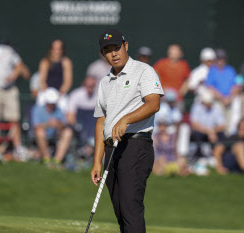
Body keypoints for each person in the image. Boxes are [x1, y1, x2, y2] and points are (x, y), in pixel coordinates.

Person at [91, 29, 164, 233]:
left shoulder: (143, 70)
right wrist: (97, 160)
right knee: (121, 211)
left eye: (116, 48)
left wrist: (126, 119)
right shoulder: (105, 82)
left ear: (126, 46)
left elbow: (153, 104)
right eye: (108, 50)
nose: (113, 54)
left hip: (136, 145)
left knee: (130, 208)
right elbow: (100, 122)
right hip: (111, 150)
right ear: (103, 55)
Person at [32, 88, 73, 166]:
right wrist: (48, 124)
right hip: (42, 134)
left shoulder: (59, 110)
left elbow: (64, 125)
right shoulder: (37, 109)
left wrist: (58, 124)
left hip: (56, 134)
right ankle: (46, 158)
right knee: (40, 132)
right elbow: (36, 127)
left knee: (68, 132)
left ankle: (57, 160)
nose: (52, 105)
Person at [206, 49, 240, 135]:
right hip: (217, 102)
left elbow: (235, 86)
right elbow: (210, 87)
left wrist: (229, 98)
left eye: (222, 58)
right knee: (219, 124)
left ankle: (228, 140)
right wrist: (222, 98)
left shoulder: (230, 70)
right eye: (218, 59)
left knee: (230, 125)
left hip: (229, 101)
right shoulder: (212, 71)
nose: (220, 61)